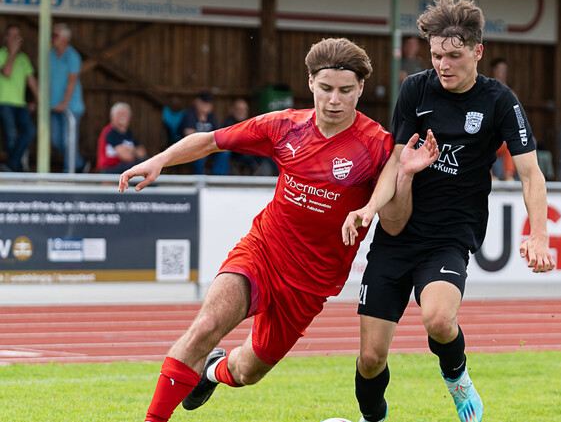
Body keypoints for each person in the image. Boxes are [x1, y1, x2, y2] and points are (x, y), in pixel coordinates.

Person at [120, 37, 437, 422]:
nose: (334, 100)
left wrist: (404, 176)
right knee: (205, 327)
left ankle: (212, 371)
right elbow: (210, 141)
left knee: (247, 371)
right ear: (310, 84)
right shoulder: (284, 126)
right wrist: (159, 161)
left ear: (361, 90)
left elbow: (395, 221)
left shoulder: (378, 146)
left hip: (310, 285)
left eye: (345, 91)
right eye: (326, 89)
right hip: (262, 253)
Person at [342, 0, 554, 422]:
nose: (443, 65)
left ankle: (457, 378)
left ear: (477, 52)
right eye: (437, 55)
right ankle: (372, 419)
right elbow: (396, 160)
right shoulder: (415, 89)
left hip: (451, 235)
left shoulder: (499, 100)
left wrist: (539, 233)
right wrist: (370, 207)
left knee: (438, 320)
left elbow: (531, 174)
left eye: (454, 56)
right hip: (398, 233)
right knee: (370, 357)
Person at [0, 23, 39, 172]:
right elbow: (7, 72)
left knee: (30, 130)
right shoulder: (2, 54)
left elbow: (32, 81)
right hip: (4, 102)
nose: (16, 39)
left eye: (18, 36)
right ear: (6, 38)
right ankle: (16, 167)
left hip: (20, 103)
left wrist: (37, 101)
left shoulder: (24, 58)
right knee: (11, 136)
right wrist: (12, 53)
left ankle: (13, 165)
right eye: (13, 35)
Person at [50, 22, 87, 173]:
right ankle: (79, 164)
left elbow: (72, 81)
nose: (52, 38)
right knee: (55, 140)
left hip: (71, 107)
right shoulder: (50, 55)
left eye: (55, 35)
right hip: (53, 106)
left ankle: (69, 172)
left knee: (68, 141)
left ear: (65, 38)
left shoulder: (73, 56)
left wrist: (64, 103)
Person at [222, 98, 277, 176]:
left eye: (244, 109)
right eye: (239, 109)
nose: (242, 112)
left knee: (270, 151)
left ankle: (279, 177)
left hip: (252, 151)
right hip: (237, 153)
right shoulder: (228, 123)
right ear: (232, 110)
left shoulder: (249, 122)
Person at [180, 91, 230, 175]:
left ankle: (217, 177)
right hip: (191, 146)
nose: (207, 105)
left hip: (208, 145)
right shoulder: (190, 114)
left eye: (209, 103)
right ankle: (200, 179)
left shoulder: (211, 116)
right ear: (197, 102)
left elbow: (216, 133)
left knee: (225, 150)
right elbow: (188, 134)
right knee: (200, 155)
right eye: (204, 102)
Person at [97, 102, 148, 174]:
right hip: (111, 170)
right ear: (112, 116)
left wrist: (130, 150)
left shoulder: (128, 134)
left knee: (148, 162)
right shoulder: (110, 132)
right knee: (145, 165)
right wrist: (134, 150)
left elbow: (142, 153)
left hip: (125, 168)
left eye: (125, 114)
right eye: (119, 114)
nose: (122, 116)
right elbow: (127, 157)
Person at [488, 57, 516, 181]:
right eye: (499, 69)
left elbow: (517, 117)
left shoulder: (512, 93)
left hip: (504, 136)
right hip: (488, 134)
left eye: (503, 69)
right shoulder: (486, 90)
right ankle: (490, 176)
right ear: (493, 70)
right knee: (483, 144)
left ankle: (508, 176)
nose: (501, 72)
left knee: (512, 145)